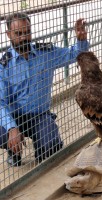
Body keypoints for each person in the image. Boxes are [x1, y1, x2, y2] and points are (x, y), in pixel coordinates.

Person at [0, 12, 89, 166]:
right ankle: (13, 152)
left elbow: (74, 55)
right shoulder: (3, 65)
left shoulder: (46, 53)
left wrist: (81, 40)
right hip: (14, 117)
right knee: (4, 131)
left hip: (39, 116)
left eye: (27, 32)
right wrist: (11, 128)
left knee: (51, 149)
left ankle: (41, 151)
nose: (23, 38)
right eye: (18, 33)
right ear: (8, 34)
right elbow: (1, 103)